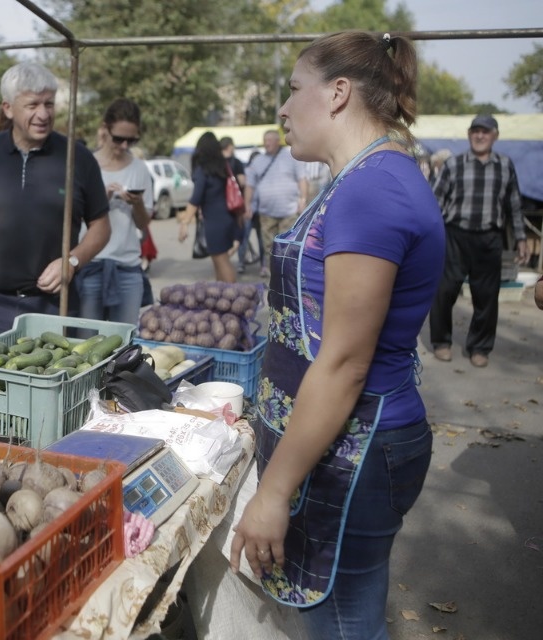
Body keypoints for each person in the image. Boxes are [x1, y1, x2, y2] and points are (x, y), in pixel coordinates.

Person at [228, 31, 445, 640]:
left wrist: (273, 492)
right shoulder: (362, 176)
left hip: (357, 446)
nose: (283, 108)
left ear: (338, 93)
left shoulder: (372, 188)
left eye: (294, 89)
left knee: (345, 625)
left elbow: (346, 362)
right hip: (342, 439)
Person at [0, 61, 110, 343]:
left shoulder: (77, 158)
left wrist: (72, 261)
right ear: (8, 108)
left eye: (49, 104)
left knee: (54, 373)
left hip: (53, 306)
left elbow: (101, 226)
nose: (43, 114)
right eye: (32, 105)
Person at [429, 114, 528, 368]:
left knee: (486, 297)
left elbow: (514, 205)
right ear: (469, 134)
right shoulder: (454, 164)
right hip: (456, 236)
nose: (480, 135)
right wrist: (430, 235)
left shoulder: (504, 165)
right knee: (444, 290)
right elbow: (435, 202)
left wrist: (520, 238)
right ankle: (441, 342)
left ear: (495, 136)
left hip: (489, 239)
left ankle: (479, 347)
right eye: (475, 131)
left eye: (485, 131)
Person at [76, 98, 152, 324]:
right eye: (119, 138)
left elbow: (143, 224)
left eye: (132, 140)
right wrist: (101, 200)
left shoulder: (139, 168)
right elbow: (72, 218)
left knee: (125, 339)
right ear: (105, 130)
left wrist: (137, 203)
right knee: (86, 339)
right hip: (90, 264)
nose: (125, 146)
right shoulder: (86, 164)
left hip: (128, 267)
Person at [243, 129, 308, 278]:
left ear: (278, 141)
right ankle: (274, 279)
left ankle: (289, 277)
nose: (266, 143)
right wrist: (247, 205)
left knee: (287, 247)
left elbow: (302, 179)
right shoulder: (258, 161)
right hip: (266, 213)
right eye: (265, 140)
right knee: (269, 247)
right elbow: (249, 185)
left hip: (289, 212)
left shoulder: (291, 157)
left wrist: (303, 199)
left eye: (270, 140)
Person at [178, 132, 241, 282]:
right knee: (220, 261)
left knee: (221, 261)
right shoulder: (223, 167)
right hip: (228, 218)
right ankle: (223, 293)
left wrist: (185, 222)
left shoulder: (203, 170)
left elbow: (196, 198)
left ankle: (233, 293)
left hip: (215, 222)